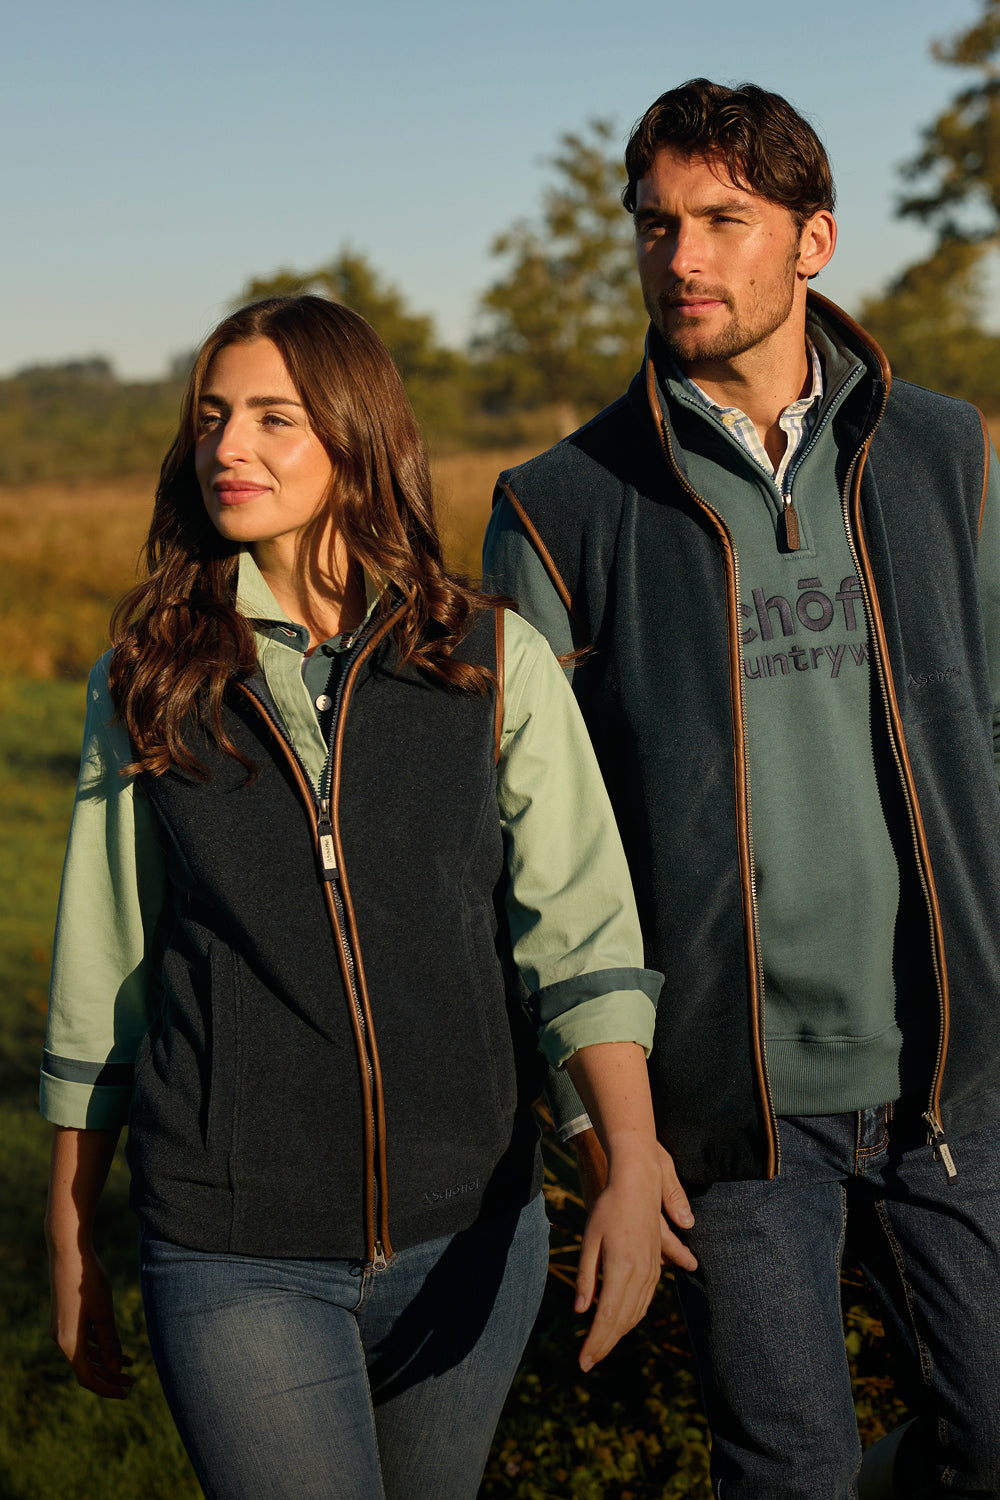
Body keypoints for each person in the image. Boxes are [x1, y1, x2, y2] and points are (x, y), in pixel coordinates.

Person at [41, 295, 698, 1500]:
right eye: (211, 418)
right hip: (238, 1249)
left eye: (272, 418)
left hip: (472, 1240)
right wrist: (74, 1224)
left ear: (357, 436)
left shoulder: (493, 665)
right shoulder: (146, 685)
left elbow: (582, 941)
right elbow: (103, 975)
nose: (225, 447)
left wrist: (628, 1154)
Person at [484, 79, 1000, 1499]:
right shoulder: (561, 505)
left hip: (949, 1079)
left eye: (725, 219)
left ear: (814, 239)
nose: (685, 258)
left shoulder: (948, 457)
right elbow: (532, 852)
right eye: (658, 226)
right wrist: (599, 1127)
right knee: (789, 1474)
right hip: (725, 1107)